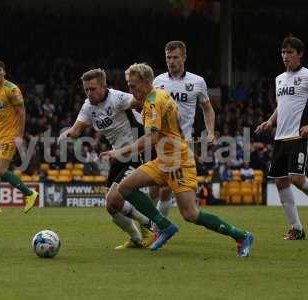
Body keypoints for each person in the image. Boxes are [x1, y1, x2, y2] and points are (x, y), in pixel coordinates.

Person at [101, 63, 253, 256]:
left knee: (190, 214)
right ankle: (164, 226)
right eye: (128, 86)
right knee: (125, 187)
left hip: (178, 161)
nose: (131, 90)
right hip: (163, 160)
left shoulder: (154, 102)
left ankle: (241, 235)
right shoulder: (157, 97)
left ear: (147, 82)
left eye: (133, 86)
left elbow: (151, 138)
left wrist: (119, 152)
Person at [58, 68, 155, 249]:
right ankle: (136, 238)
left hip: (136, 152)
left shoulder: (118, 98)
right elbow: (76, 130)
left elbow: (142, 99)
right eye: (86, 89)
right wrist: (64, 136)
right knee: (111, 207)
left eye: (93, 88)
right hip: (118, 155)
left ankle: (150, 226)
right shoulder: (88, 106)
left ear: (104, 87)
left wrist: (147, 103)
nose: (89, 93)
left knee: (114, 199)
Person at [149, 40, 216, 227]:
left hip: (181, 143)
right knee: (153, 189)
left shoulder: (197, 82)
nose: (171, 61)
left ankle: (156, 228)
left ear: (184, 57)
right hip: (159, 141)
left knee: (165, 190)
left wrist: (210, 132)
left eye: (175, 57)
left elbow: (208, 109)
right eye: (168, 57)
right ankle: (152, 226)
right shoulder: (158, 81)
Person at [256, 36, 308, 240]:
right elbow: (282, 105)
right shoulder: (279, 79)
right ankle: (297, 228)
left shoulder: (306, 76)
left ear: (300, 54)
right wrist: (269, 121)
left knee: (297, 179)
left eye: (290, 52)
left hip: (298, 135)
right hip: (280, 137)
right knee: (281, 182)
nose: (285, 56)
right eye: (283, 53)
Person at [0, 60, 39, 214]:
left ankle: (30, 193)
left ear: (4, 72)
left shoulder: (12, 89)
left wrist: (19, 135)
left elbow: (21, 112)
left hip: (10, 136)